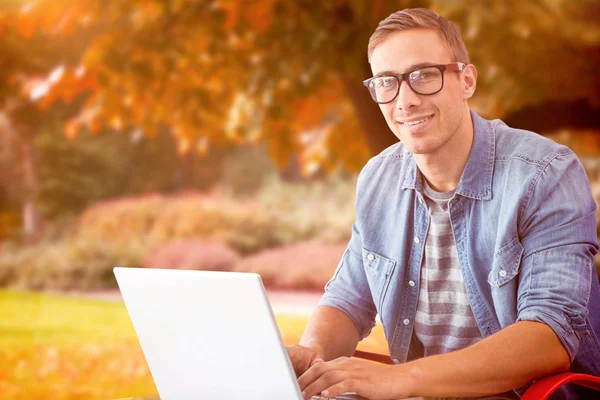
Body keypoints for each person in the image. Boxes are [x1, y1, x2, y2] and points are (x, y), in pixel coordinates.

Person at [287, 7, 600, 400]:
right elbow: (348, 301)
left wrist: (401, 380)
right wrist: (311, 355)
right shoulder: (378, 178)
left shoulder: (545, 173)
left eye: (423, 76)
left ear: (466, 80)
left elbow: (551, 334)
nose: (405, 100)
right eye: (387, 82)